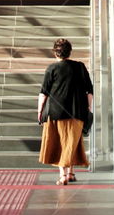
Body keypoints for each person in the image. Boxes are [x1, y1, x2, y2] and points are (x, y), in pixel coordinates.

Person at [37, 38, 93, 185]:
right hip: (77, 111)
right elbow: (90, 91)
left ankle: (63, 176)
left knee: (61, 142)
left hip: (57, 112)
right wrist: (88, 108)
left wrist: (39, 111)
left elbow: (44, 93)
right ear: (70, 51)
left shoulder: (52, 68)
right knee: (73, 141)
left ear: (55, 53)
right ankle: (71, 173)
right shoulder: (80, 67)